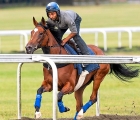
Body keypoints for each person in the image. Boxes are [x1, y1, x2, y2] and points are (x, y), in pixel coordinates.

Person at [46, 2, 90, 66]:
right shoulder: (50, 20)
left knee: (76, 37)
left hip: (75, 19)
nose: (51, 16)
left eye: (52, 14)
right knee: (56, 37)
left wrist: (65, 40)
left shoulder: (67, 18)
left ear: (57, 12)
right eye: (49, 14)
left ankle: (87, 57)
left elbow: (74, 32)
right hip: (62, 24)